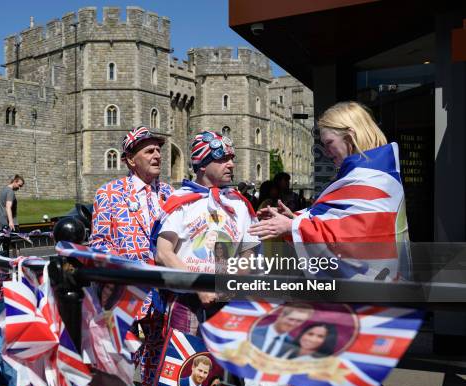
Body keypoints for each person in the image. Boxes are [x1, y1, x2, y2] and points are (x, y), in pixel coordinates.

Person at [249, 101, 409, 281]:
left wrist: (291, 226)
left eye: (329, 143)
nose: (326, 151)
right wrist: (295, 218)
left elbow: (353, 238)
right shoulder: (369, 174)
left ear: (350, 137)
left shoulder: (370, 179)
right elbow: (341, 223)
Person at [89, 126, 174, 386]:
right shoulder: (109, 193)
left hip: (164, 298)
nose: (157, 155)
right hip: (126, 298)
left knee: (159, 370)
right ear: (130, 159)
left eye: (159, 150)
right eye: (149, 151)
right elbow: (99, 244)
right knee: (119, 373)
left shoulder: (172, 196)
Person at [155, 130, 259, 335]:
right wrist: (199, 287)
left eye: (231, 158)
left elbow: (249, 253)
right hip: (187, 301)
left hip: (229, 301)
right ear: (202, 164)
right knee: (185, 365)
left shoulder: (239, 203)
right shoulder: (180, 201)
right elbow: (164, 253)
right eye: (222, 159)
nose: (231, 164)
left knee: (224, 366)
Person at [250, 304, 314, 357]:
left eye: (299, 321)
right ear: (280, 316)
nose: (292, 324)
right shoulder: (252, 332)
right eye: (291, 319)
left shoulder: (292, 345)